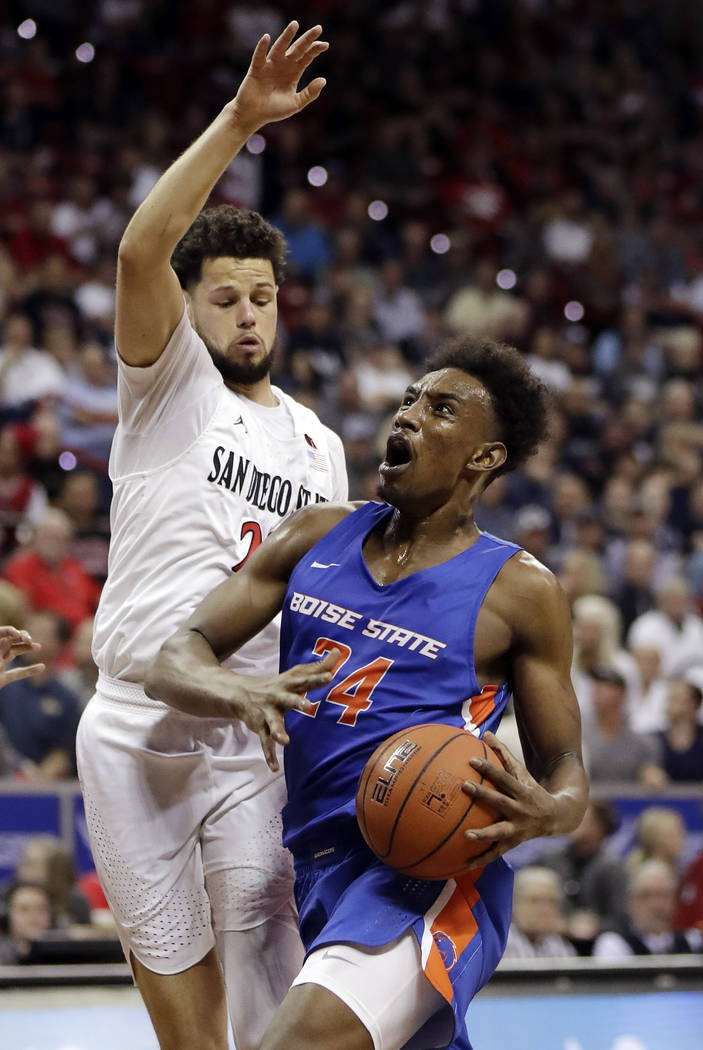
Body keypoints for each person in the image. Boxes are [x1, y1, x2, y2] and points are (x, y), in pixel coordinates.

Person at [147, 337, 589, 1050]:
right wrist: (239, 691)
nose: (410, 414)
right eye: (411, 398)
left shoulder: (519, 590)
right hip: (320, 867)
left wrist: (549, 813)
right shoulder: (316, 533)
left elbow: (566, 768)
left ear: (485, 458)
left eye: (441, 409)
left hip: (427, 871)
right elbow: (172, 659)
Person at [74, 22, 346, 1050]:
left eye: (262, 299)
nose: (247, 317)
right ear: (186, 312)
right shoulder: (164, 388)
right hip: (134, 729)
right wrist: (241, 119)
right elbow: (143, 246)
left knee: (269, 990)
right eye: (224, 298)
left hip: (250, 730)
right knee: (189, 1039)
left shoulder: (318, 444)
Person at [592, 859, 703, 957]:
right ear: (631, 902)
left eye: (664, 895)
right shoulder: (615, 944)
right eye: (647, 895)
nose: (657, 905)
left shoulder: (691, 941)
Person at [502, 866, 577, 959]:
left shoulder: (560, 946)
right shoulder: (499, 945)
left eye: (551, 901)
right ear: (515, 904)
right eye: (535, 901)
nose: (544, 909)